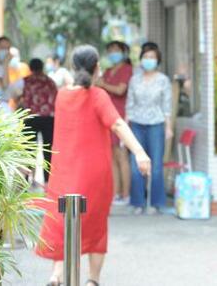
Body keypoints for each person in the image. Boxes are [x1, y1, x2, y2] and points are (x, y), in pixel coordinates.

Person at [36, 45, 151, 286]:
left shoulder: (63, 96)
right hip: (94, 175)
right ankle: (92, 280)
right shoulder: (98, 96)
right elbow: (118, 125)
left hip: (63, 174)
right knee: (95, 227)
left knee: (63, 222)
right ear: (97, 67)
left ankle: (57, 275)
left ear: (73, 67)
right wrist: (140, 153)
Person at [125, 42, 173, 214]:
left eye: (152, 57)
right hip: (136, 125)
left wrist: (168, 127)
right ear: (141, 59)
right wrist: (126, 127)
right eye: (146, 57)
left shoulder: (163, 80)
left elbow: (167, 106)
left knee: (157, 166)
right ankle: (138, 203)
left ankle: (156, 203)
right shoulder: (134, 79)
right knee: (136, 165)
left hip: (156, 125)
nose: (149, 60)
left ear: (157, 60)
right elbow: (129, 105)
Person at [95, 41, 134, 206]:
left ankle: (126, 194)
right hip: (107, 116)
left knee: (121, 155)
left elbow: (120, 90)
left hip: (122, 115)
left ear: (124, 52)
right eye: (110, 51)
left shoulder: (127, 69)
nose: (113, 53)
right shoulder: (109, 71)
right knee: (111, 156)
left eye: (116, 50)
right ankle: (116, 193)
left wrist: (103, 84)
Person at [19, 58, 58, 184]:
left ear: (30, 68)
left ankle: (27, 179)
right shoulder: (50, 81)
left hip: (30, 118)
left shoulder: (25, 81)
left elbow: (14, 93)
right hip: (49, 119)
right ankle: (48, 180)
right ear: (42, 68)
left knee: (28, 149)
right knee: (48, 149)